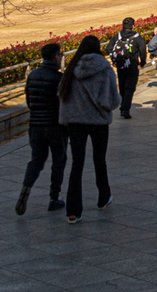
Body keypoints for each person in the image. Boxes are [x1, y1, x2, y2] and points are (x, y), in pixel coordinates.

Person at [58, 35, 119, 223]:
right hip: (98, 121)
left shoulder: (71, 69)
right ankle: (103, 197)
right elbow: (112, 99)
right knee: (100, 160)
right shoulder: (104, 68)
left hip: (76, 122)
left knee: (77, 164)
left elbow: (63, 96)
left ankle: (73, 210)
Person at [17, 43, 66, 216]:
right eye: (60, 55)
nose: (61, 58)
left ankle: (26, 187)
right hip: (55, 126)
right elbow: (63, 103)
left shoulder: (33, 75)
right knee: (59, 160)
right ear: (55, 57)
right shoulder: (59, 78)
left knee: (36, 160)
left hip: (35, 124)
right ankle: (54, 198)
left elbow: (29, 100)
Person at [105, 18, 144, 118]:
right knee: (130, 88)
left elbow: (108, 48)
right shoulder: (137, 37)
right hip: (133, 65)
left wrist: (115, 59)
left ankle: (123, 104)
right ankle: (125, 109)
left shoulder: (117, 36)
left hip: (120, 66)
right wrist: (142, 63)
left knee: (122, 86)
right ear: (133, 26)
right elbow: (143, 50)